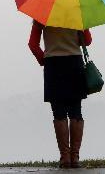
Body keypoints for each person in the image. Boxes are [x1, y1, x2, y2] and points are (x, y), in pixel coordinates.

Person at [28, 20, 92, 168]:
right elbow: (87, 41)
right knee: (76, 111)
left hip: (53, 65)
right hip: (74, 63)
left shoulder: (42, 15)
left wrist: (44, 59)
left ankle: (65, 157)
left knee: (59, 112)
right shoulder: (78, 12)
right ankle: (75, 157)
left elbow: (33, 44)